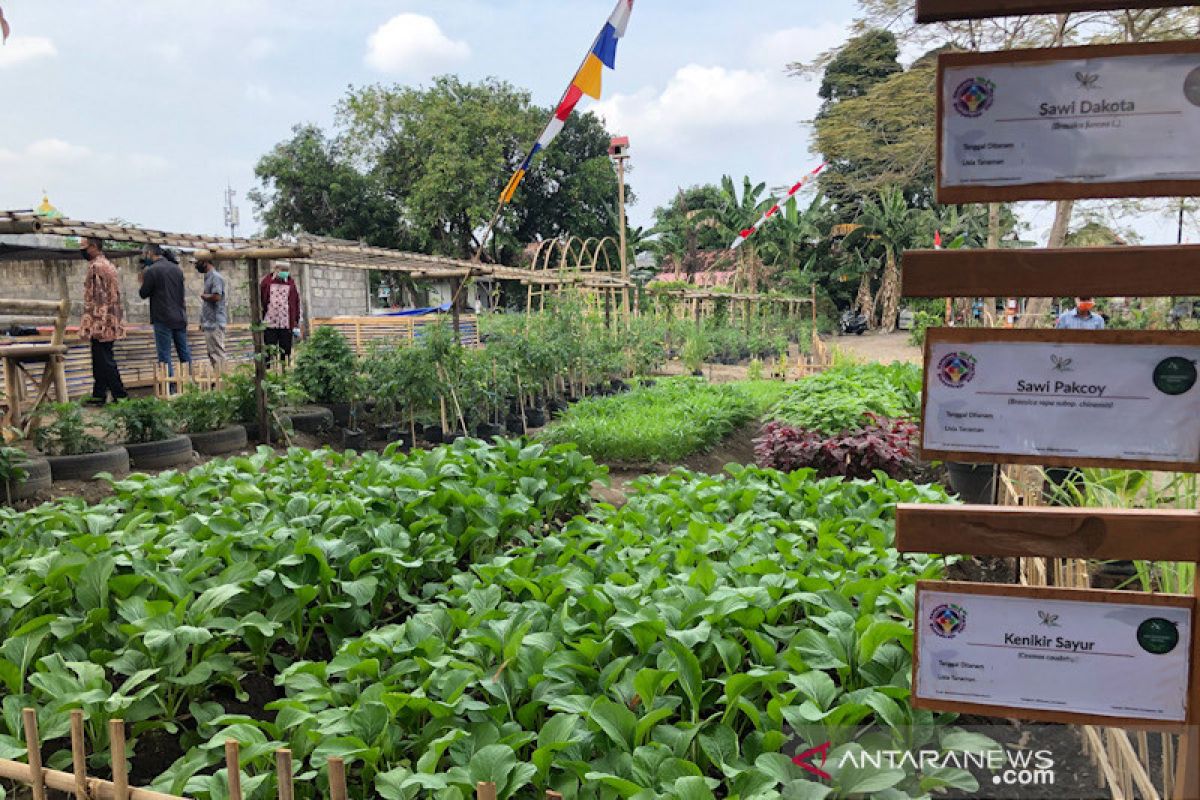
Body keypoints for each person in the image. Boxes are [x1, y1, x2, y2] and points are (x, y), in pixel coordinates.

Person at [77, 237, 129, 405]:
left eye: (83, 247)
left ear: (93, 247)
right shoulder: (109, 265)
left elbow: (98, 297)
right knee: (100, 359)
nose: (82, 250)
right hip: (111, 319)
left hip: (101, 321)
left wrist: (95, 324)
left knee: (105, 359)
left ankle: (120, 395)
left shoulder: (96, 267)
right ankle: (99, 394)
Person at [138, 244, 192, 374]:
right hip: (179, 316)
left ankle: (171, 387)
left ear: (150, 253)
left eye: (145, 254)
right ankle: (190, 382)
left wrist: (142, 281)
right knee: (184, 352)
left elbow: (143, 293)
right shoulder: (177, 269)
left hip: (162, 317)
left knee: (164, 355)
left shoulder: (152, 270)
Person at [260, 264, 300, 364]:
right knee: (269, 348)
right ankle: (269, 370)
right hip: (270, 322)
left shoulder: (290, 282)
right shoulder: (267, 282)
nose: (285, 272)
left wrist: (296, 321)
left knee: (286, 349)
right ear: (276, 270)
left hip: (286, 322)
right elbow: (261, 300)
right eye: (283, 270)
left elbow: (296, 302)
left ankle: (284, 370)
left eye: (287, 270)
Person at [196, 258, 227, 370]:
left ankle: (222, 381)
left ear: (206, 262)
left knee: (217, 353)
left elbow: (217, 296)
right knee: (212, 353)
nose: (196, 265)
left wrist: (205, 296)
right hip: (209, 322)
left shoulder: (215, 277)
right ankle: (218, 379)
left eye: (198, 262)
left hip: (215, 322)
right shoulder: (208, 277)